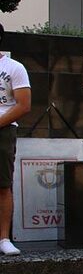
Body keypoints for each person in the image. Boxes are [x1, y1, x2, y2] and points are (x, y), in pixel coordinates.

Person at [0, 23, 32, 255]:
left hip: (3, 130)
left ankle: (3, 239)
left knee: (2, 185)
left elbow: (24, 105)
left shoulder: (14, 67)